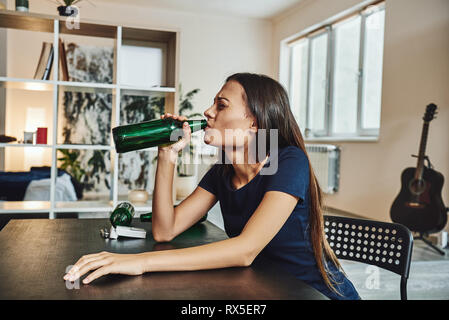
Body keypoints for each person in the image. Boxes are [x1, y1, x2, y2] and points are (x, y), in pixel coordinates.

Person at [63, 73, 360, 300]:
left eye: (221, 105)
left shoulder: (287, 161)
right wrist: (167, 155)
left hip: (313, 294)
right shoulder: (222, 173)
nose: (207, 111)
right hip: (265, 289)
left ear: (253, 124)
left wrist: (140, 263)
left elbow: (245, 250)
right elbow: (165, 230)